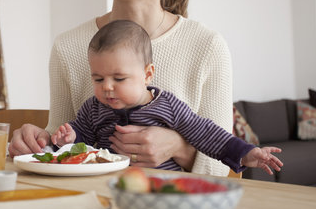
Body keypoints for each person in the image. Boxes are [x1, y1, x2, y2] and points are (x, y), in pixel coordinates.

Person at [9, 0, 232, 176]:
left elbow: (223, 166)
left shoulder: (207, 46)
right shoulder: (68, 46)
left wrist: (178, 148)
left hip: (176, 208)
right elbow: (63, 143)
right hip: (93, 201)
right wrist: (37, 141)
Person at [51, 20, 283, 175]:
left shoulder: (167, 106)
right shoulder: (93, 108)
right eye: (98, 79)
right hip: (111, 186)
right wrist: (69, 137)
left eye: (119, 79)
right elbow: (83, 139)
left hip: (163, 189)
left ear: (147, 74)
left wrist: (245, 153)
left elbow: (206, 133)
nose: (107, 88)